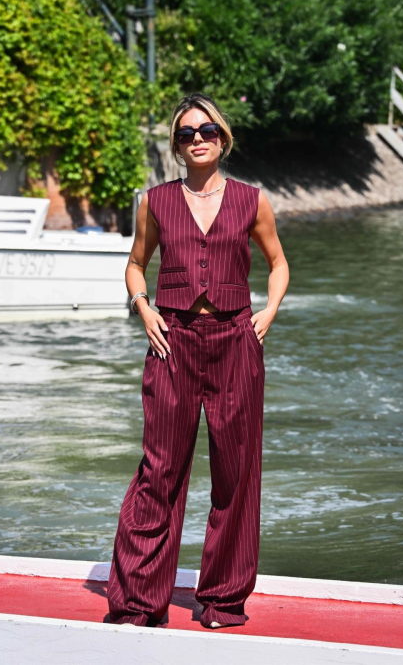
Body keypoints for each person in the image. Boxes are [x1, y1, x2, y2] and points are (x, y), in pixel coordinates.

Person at [107, 92, 289, 630]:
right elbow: (136, 264)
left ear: (223, 136)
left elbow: (278, 264)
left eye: (206, 130)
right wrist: (142, 307)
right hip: (173, 343)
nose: (197, 139)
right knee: (159, 470)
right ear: (176, 146)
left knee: (236, 473)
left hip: (236, 340)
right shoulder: (155, 202)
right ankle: (139, 602)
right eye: (186, 134)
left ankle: (222, 600)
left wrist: (269, 312)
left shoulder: (253, 201)